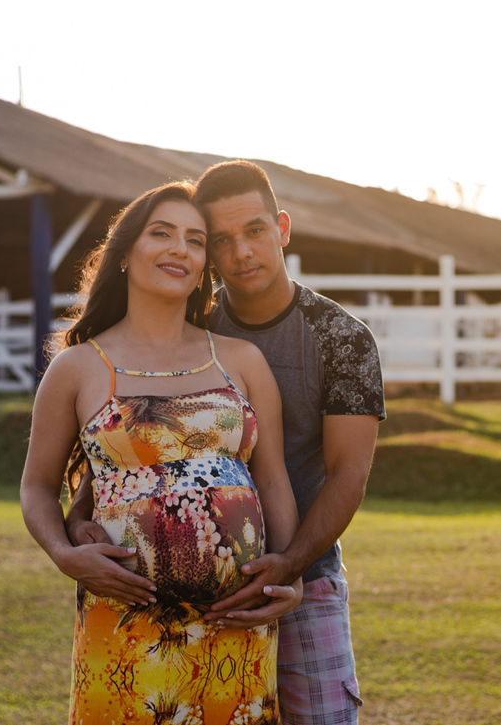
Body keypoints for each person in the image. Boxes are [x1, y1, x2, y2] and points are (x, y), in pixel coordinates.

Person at [69, 162, 385, 724]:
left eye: (256, 231)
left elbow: (348, 473)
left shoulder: (342, 339)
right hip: (169, 601)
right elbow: (134, 441)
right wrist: (77, 521)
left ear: (282, 228)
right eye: (221, 240)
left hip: (303, 577)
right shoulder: (192, 328)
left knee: (325, 717)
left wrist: (287, 568)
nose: (242, 252)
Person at [22, 181, 301, 724]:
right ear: (125, 253)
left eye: (195, 241)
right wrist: (63, 553)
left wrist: (285, 576)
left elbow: (271, 481)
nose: (181, 248)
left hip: (235, 630)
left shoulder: (241, 360)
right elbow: (37, 485)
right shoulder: (77, 367)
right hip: (126, 629)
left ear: (203, 267)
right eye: (162, 233)